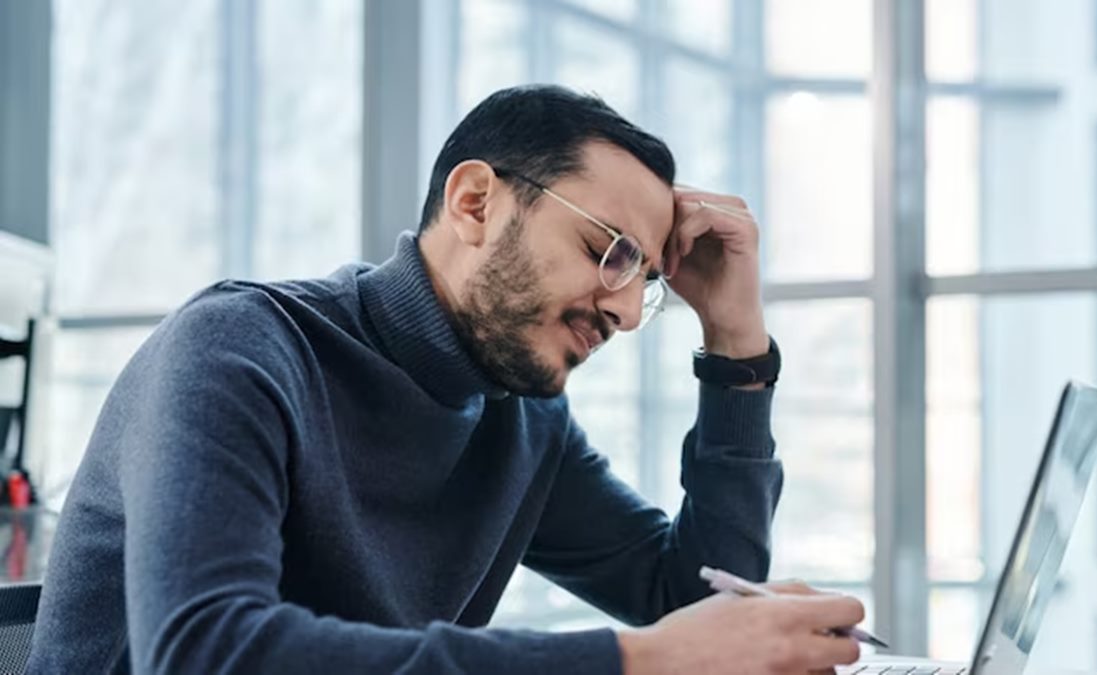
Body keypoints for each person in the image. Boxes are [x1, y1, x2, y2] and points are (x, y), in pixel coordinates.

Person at [28, 85, 864, 674]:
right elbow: (207, 650)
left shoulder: (519, 420)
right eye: (606, 251)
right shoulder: (238, 351)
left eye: (642, 276)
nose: (627, 312)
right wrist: (634, 660)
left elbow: (689, 595)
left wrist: (735, 346)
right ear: (474, 203)